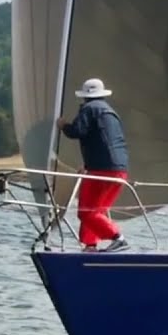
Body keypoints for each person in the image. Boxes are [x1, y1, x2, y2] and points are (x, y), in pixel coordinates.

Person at [57, 77, 129, 252]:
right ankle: (90, 246)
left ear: (84, 97)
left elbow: (77, 131)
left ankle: (118, 238)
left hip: (102, 171)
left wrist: (63, 125)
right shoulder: (109, 112)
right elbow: (105, 141)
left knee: (87, 212)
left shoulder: (90, 109)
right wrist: (89, 167)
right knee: (96, 211)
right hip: (118, 170)